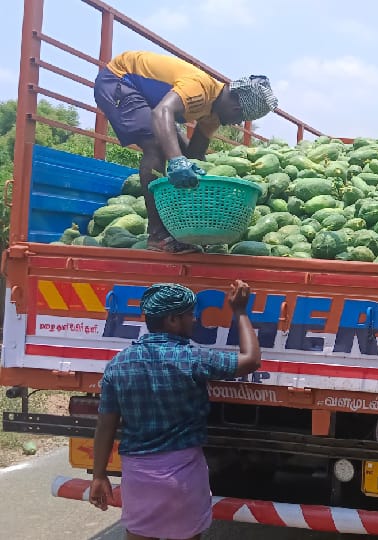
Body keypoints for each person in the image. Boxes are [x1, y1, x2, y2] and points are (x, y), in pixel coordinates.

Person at [89, 280, 261, 540]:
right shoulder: (193, 358)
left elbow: (106, 425)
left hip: (139, 477)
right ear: (172, 320)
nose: (195, 320)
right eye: (190, 315)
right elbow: (251, 360)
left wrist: (99, 475)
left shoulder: (118, 364)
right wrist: (240, 311)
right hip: (183, 478)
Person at [94, 51, 279, 254]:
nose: (236, 123)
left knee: (178, 149)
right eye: (240, 117)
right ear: (235, 105)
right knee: (156, 144)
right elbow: (161, 113)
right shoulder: (199, 87)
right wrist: (176, 161)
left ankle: (175, 230)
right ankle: (157, 236)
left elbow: (195, 155)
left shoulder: (213, 117)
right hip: (120, 79)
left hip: (148, 98)